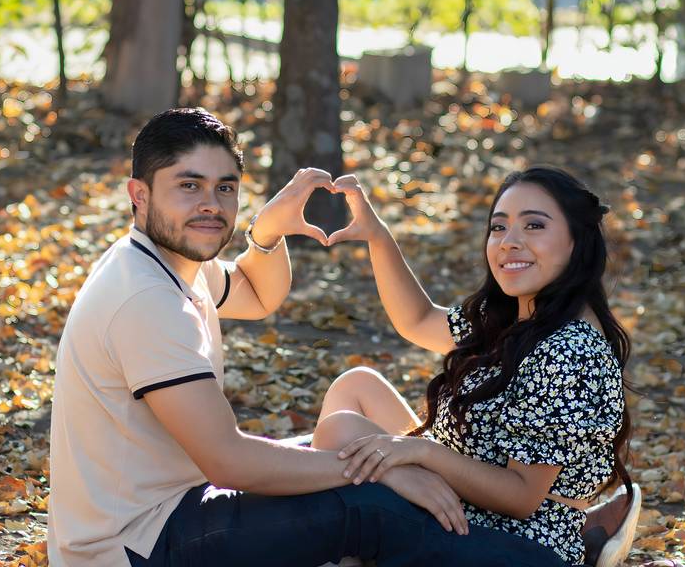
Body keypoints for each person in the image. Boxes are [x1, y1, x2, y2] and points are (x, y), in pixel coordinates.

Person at [47, 108, 578, 567]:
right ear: (139, 195)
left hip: (170, 509)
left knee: (343, 444)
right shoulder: (145, 300)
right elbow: (229, 462)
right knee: (369, 503)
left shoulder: (170, 265)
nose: (210, 204)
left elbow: (255, 292)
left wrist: (267, 229)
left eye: (224, 187)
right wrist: (383, 469)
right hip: (136, 545)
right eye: (188, 186)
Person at [311, 167, 637, 567]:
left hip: (513, 541)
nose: (509, 242)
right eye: (498, 228)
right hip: (463, 499)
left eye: (534, 225)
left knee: (342, 434)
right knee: (357, 387)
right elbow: (416, 320)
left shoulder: (569, 349)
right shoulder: (515, 317)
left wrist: (419, 455)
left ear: (577, 241)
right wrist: (378, 236)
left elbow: (520, 498)